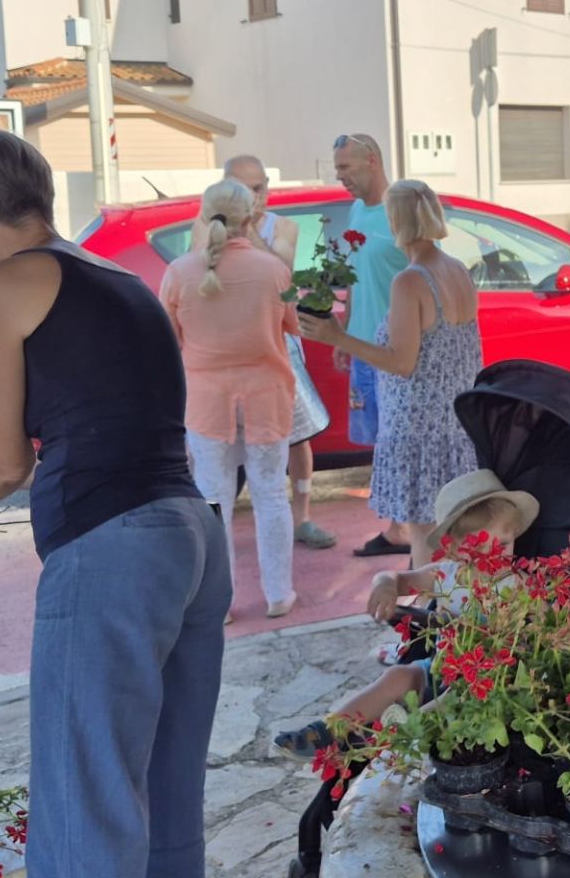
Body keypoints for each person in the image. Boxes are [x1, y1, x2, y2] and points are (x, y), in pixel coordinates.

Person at [0, 131, 225, 878]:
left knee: (84, 846)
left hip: (110, 552)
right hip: (192, 536)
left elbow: (6, 456)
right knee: (164, 828)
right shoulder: (123, 280)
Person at [272, 469, 537, 756]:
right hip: (439, 668)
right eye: (480, 546)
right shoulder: (447, 576)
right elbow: (396, 578)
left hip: (485, 683)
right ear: (457, 549)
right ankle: (328, 731)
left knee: (455, 697)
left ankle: (395, 742)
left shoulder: (515, 586)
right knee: (397, 676)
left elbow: (545, 621)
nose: (494, 555)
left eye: (504, 544)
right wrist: (385, 584)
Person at [299, 178, 481, 567]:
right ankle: (448, 617)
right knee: (452, 542)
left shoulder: (410, 280)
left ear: (395, 223)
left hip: (417, 430)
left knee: (425, 546)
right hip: (456, 427)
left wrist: (337, 336)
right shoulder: (457, 271)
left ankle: (430, 621)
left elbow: (402, 362)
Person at [161, 178, 303, 620]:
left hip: (206, 401)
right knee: (270, 494)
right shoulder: (274, 270)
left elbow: (169, 340)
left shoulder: (179, 272)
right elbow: (294, 328)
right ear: (252, 218)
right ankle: (279, 594)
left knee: (212, 496)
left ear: (203, 216)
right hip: (266, 397)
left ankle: (219, 601)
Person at [222, 153, 335, 550]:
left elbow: (280, 273)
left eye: (261, 187)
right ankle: (216, 528)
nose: (257, 196)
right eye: (246, 190)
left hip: (277, 344)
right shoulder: (206, 227)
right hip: (231, 351)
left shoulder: (281, 226)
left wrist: (248, 228)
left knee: (298, 433)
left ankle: (302, 516)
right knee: (219, 442)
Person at [330, 133, 411, 557]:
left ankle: (406, 528)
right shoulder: (357, 209)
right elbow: (353, 275)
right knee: (381, 441)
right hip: (364, 347)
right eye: (338, 168)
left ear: (373, 161)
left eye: (347, 167)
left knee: (399, 439)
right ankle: (399, 526)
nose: (340, 177)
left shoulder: (401, 211)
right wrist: (345, 330)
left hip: (395, 351)